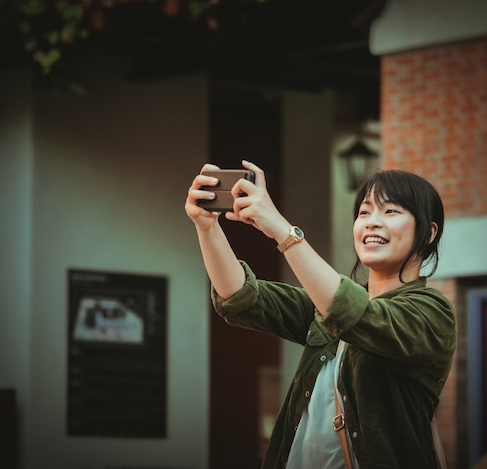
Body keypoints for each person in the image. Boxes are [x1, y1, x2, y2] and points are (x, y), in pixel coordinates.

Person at [185, 160, 456, 469]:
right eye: (364, 212)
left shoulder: (432, 312)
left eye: (390, 211)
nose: (372, 222)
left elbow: (353, 311)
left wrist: (281, 230)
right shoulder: (324, 304)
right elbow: (242, 297)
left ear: (429, 232)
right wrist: (206, 228)